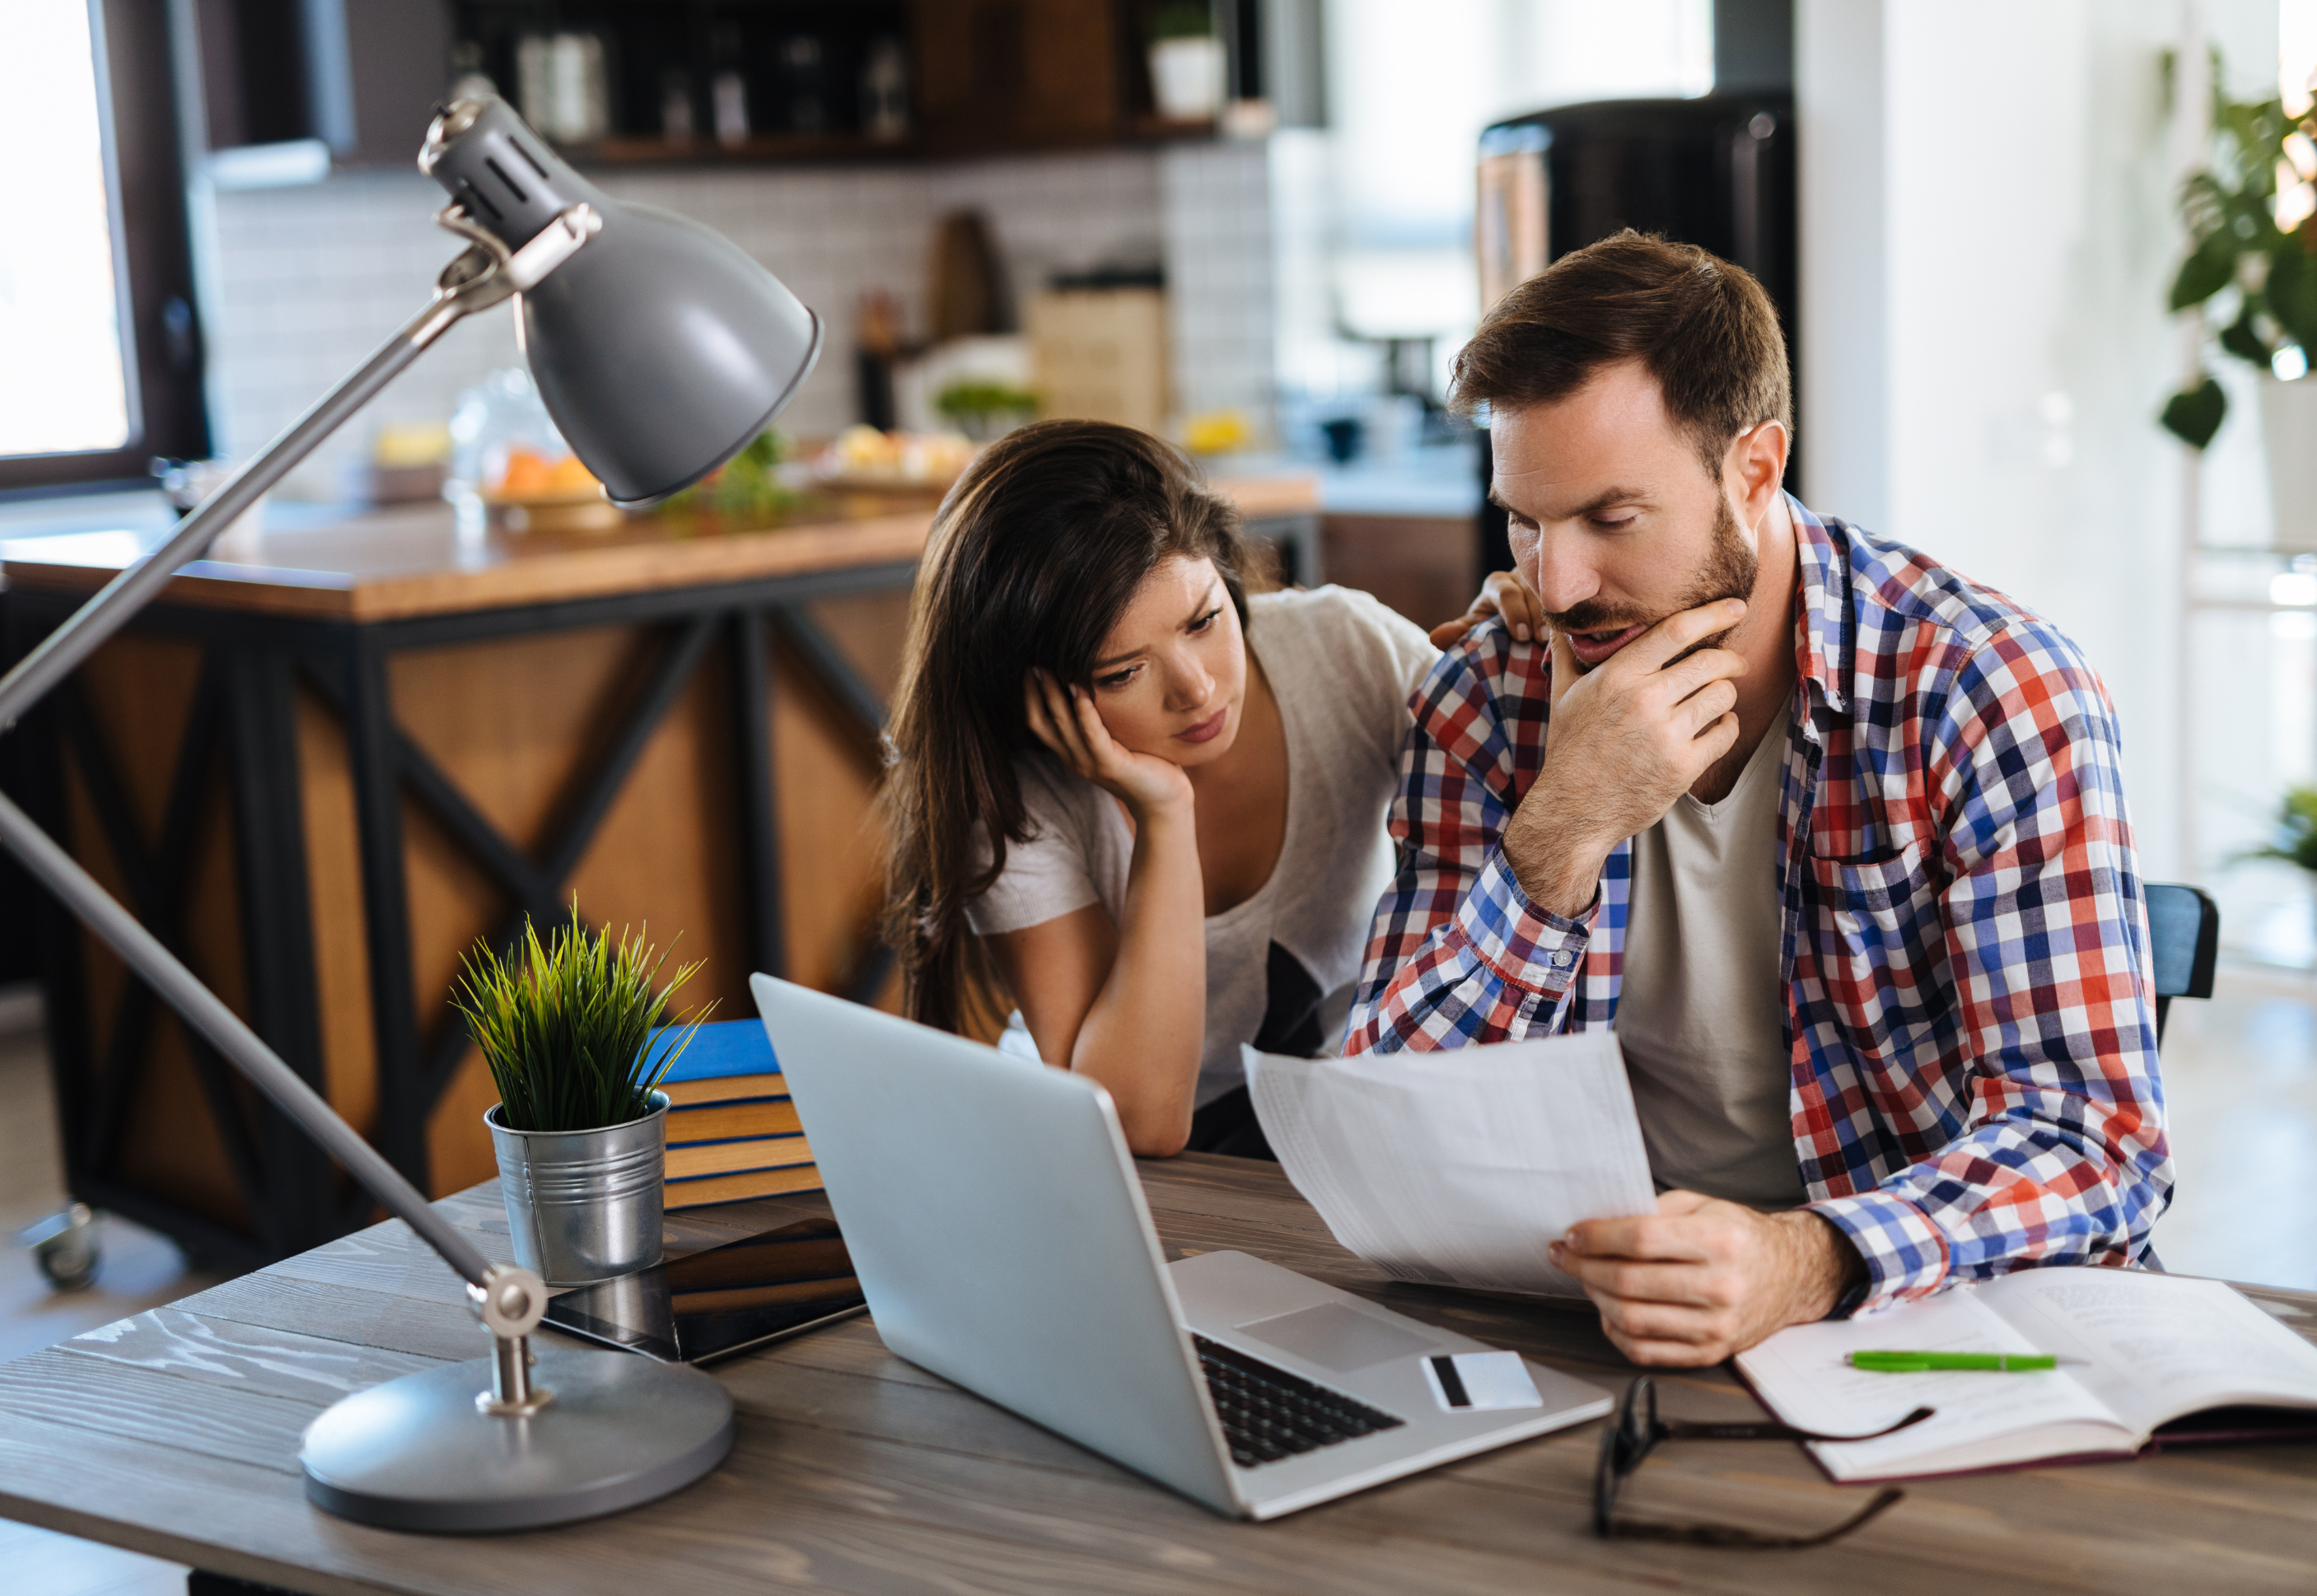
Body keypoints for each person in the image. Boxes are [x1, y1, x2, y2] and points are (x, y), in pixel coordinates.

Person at [1347, 231, 2170, 1367]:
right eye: (1525, 522)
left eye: (1609, 518)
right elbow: (1381, 1131)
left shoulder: (1986, 691)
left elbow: (2093, 1144)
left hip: (1922, 1317)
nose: (1557, 584)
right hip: (1599, 1321)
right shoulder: (1484, 696)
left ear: (1753, 467)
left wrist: (1803, 1258)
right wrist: (1558, 834)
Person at [881, 420, 1439, 1158]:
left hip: (1337, 1138)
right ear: (1034, 691)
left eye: (1203, 620)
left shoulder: (1345, 649)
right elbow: (1137, 1121)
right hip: (1116, 1174)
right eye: (1123, 673)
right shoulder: (1017, 798)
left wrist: (1520, 644)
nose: (1197, 689)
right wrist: (1164, 813)